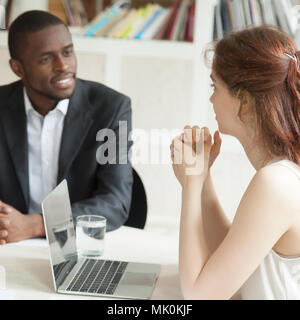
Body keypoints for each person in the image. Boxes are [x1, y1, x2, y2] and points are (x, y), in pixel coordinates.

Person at [170, 26, 300, 300]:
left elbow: (198, 295)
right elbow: (232, 264)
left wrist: (192, 184)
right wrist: (202, 178)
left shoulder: (275, 182)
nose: (211, 99)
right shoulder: (282, 172)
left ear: (243, 101)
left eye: (215, 87)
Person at [0, 11, 133, 244]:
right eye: (46, 59)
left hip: (79, 244)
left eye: (67, 52)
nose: (63, 66)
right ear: (18, 68)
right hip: (9, 245)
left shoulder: (111, 108)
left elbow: (115, 201)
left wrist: (38, 224)